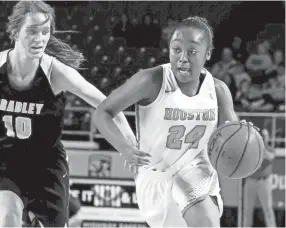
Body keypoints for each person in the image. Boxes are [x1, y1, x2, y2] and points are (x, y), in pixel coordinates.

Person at [95, 16, 247, 227]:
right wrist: (125, 148)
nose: (182, 58)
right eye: (176, 50)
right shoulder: (151, 80)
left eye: (192, 51)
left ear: (208, 53)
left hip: (199, 173)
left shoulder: (218, 90)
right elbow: (102, 113)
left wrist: (245, 140)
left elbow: (234, 140)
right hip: (156, 180)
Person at [0, 1, 136, 227]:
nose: (40, 38)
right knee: (7, 217)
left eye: (45, 32)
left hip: (47, 166)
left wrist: (129, 143)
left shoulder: (56, 73)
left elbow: (107, 105)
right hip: (7, 162)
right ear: (15, 32)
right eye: (32, 31)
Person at [243, 128, 277, 227]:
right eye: (262, 135)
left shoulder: (270, 149)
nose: (264, 138)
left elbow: (269, 158)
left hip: (264, 182)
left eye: (266, 136)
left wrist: (260, 151)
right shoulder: (250, 148)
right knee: (247, 209)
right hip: (251, 181)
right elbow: (247, 161)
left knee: (268, 209)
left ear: (268, 138)